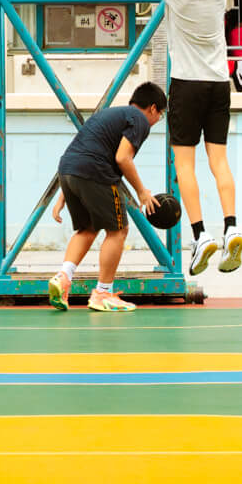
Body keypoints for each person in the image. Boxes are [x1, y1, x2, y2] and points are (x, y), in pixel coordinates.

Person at [138, 0, 242, 278]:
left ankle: (201, 235)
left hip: (187, 83)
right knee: (220, 161)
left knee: (185, 164)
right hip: (219, 83)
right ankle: (232, 225)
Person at [46, 82, 167, 313]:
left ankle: (63, 278)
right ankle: (103, 292)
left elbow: (83, 151)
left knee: (87, 228)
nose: (156, 119)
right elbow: (123, 158)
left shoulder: (111, 115)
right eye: (159, 115)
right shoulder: (138, 119)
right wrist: (142, 191)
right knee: (118, 230)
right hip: (95, 172)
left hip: (68, 170)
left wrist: (64, 195)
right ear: (152, 108)